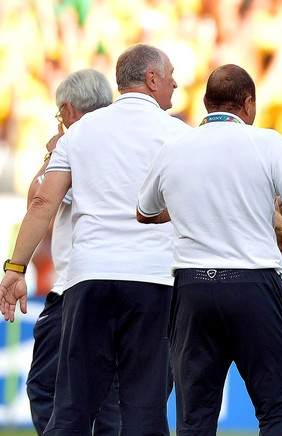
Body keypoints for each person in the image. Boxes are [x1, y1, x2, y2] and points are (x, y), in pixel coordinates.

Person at [0, 43, 191, 434]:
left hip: (89, 282)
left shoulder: (80, 133)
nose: (175, 83)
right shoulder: (179, 135)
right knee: (143, 409)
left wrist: (15, 268)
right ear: (152, 79)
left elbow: (41, 202)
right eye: (170, 75)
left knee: (72, 407)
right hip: (153, 282)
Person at [136, 64, 282, 435]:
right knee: (275, 410)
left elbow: (145, 213)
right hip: (255, 286)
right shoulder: (267, 142)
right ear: (248, 104)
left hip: (193, 290)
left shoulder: (174, 148)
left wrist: (196, 204)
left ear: (206, 104)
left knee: (195, 419)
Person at [25, 69, 120, 435]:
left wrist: (51, 154)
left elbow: (40, 199)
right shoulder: (128, 138)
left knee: (47, 388)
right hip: (131, 285)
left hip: (73, 289)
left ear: (67, 110)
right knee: (113, 396)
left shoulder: (74, 142)